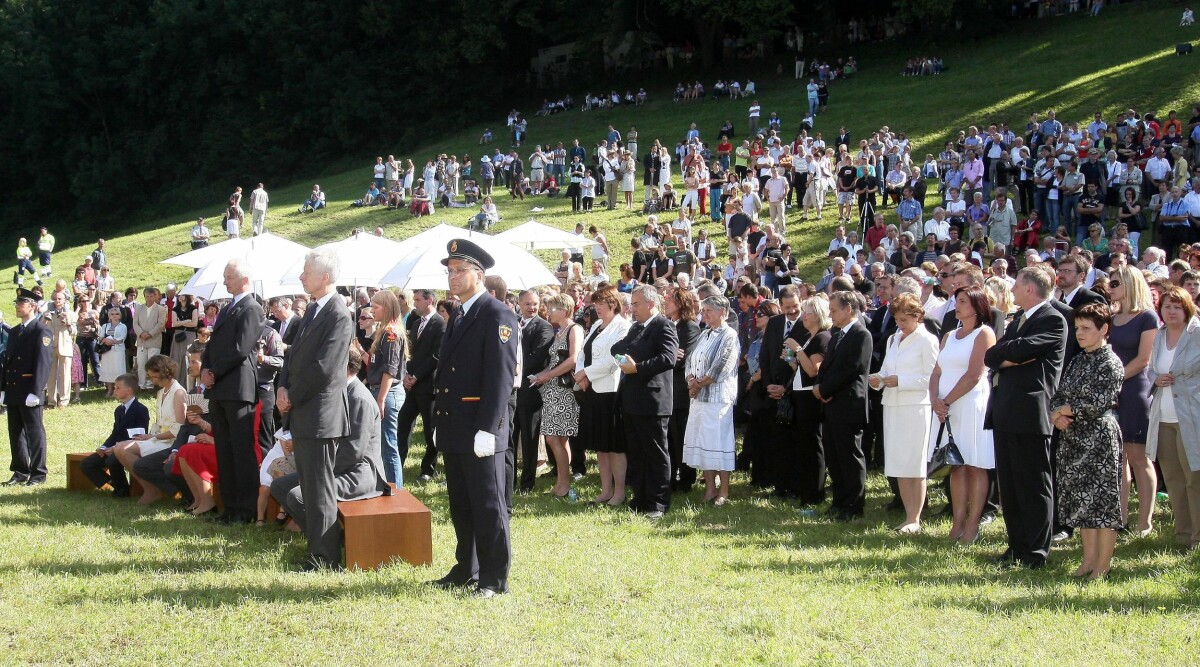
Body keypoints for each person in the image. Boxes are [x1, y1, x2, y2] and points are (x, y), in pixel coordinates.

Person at [428, 239, 518, 598]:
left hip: (480, 428)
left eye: (459, 270)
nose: (452, 277)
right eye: (449, 271)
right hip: (454, 425)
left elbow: (500, 378)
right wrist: (439, 422)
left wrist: (488, 429)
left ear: (479, 275)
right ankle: (468, 567)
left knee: (488, 504)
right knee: (461, 504)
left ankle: (494, 579)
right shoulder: (460, 314)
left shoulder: (497, 315)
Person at [984, 267, 1067, 569]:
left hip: (1031, 412)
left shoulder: (1052, 319)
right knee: (1011, 484)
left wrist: (1009, 355)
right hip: (1006, 409)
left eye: (1017, 285)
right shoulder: (1019, 319)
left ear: (1031, 288)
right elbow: (993, 356)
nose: (1013, 290)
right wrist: (1008, 355)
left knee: (1033, 483)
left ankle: (1035, 551)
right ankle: (1016, 546)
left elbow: (1022, 351)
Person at [276, 249, 354, 570]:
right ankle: (316, 550)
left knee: (320, 490)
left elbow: (325, 368)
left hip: (321, 416)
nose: (301, 276)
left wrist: (291, 395)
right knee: (310, 486)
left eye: (306, 271)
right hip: (305, 412)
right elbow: (293, 356)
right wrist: (282, 385)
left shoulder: (338, 313)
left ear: (325, 277)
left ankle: (325, 559)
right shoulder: (312, 310)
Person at [273, 346, 391, 534]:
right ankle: (320, 533)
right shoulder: (341, 392)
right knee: (279, 487)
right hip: (336, 467)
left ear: (344, 368)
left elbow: (353, 453)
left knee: (299, 496)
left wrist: (319, 470)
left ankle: (333, 538)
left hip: (358, 474)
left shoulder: (359, 399)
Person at [1049, 303, 1125, 579]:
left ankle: (1102, 566)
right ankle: (1088, 561)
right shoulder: (1079, 359)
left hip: (1100, 439)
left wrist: (1065, 410)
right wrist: (1057, 414)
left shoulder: (1110, 362)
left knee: (1102, 503)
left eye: (1086, 328)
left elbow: (1099, 401)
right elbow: (1059, 394)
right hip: (1073, 437)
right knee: (1082, 501)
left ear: (1103, 330)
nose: (1079, 333)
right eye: (1077, 327)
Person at [201, 259, 267, 525]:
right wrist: (205, 368)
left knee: (241, 452)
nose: (224, 281)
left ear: (244, 280)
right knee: (224, 449)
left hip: (238, 387)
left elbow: (240, 348)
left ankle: (246, 509)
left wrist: (214, 371)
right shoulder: (229, 308)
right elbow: (214, 344)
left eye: (229, 277)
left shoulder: (252, 308)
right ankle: (229, 507)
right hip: (219, 388)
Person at [930, 286, 997, 544]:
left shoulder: (984, 333)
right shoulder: (948, 335)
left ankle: (972, 524)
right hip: (945, 408)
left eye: (963, 301)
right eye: (956, 301)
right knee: (956, 465)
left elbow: (974, 375)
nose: (957, 305)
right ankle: (957, 523)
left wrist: (946, 401)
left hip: (970, 405)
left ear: (977, 306)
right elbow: (937, 372)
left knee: (974, 464)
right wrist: (935, 400)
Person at [871, 292, 939, 533]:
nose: (900, 325)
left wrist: (901, 380)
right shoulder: (893, 340)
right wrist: (878, 379)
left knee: (914, 462)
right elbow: (886, 369)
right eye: (897, 320)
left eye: (905, 320)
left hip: (916, 406)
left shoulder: (927, 340)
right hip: (893, 405)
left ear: (918, 317)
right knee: (899, 461)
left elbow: (932, 377)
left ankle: (915, 518)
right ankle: (908, 515)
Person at [610, 285, 679, 518]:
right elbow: (616, 348)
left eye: (636, 304)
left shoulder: (663, 326)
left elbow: (668, 358)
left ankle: (658, 503)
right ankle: (640, 499)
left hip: (653, 400)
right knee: (637, 452)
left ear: (651, 304)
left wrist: (636, 367)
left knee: (655, 453)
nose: (632, 308)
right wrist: (628, 357)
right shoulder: (636, 328)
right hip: (632, 400)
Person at [1107, 265, 1159, 536]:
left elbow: (1143, 359)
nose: (1110, 287)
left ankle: (1144, 522)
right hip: (1113, 393)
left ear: (1130, 284)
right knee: (1118, 460)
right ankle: (1121, 518)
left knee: (1138, 457)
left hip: (1134, 390)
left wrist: (1113, 381)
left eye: (1115, 283)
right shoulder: (1112, 317)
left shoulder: (1147, 317)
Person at [1147, 287, 1200, 551]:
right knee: (1173, 477)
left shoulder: (1197, 334)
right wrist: (1155, 378)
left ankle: (1197, 538)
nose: (1171, 311)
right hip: (1163, 414)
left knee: (1194, 477)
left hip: (1191, 416)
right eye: (1167, 306)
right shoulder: (1159, 335)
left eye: (1177, 307)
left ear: (1187, 308)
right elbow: (1150, 369)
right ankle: (1183, 535)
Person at [815, 291, 873, 520]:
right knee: (835, 456)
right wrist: (821, 387)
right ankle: (839, 500)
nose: (831, 314)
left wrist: (826, 389)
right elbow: (828, 367)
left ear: (848, 309)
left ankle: (853, 505)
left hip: (848, 404)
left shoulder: (861, 334)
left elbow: (852, 369)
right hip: (831, 405)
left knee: (849, 457)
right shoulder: (837, 334)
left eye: (834, 310)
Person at [572, 286, 631, 504]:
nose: (596, 307)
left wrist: (586, 373)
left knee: (614, 445)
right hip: (591, 390)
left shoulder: (623, 327)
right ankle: (605, 490)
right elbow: (583, 353)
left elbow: (614, 359)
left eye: (600, 303)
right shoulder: (596, 325)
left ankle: (619, 492)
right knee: (600, 445)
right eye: (595, 303)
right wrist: (581, 374)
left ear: (613, 304)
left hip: (610, 391)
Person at [683, 295, 740, 505]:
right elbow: (690, 360)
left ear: (723, 312)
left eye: (709, 310)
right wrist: (691, 381)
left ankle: (724, 490)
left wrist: (700, 383)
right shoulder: (704, 333)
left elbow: (722, 365)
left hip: (717, 398)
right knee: (702, 441)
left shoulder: (729, 335)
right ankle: (709, 488)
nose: (704, 314)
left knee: (719, 441)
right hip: (698, 398)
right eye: (703, 310)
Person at [112, 354, 186, 504]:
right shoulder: (161, 392)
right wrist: (150, 435)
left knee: (123, 449)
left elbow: (179, 429)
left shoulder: (178, 392)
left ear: (164, 372)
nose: (152, 380)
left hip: (171, 443)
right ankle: (151, 489)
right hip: (159, 438)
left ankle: (154, 490)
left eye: (154, 376)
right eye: (150, 376)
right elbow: (159, 424)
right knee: (119, 448)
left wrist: (153, 437)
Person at [530, 293, 582, 498]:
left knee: (553, 439)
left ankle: (565, 483)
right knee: (560, 439)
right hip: (552, 390)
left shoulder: (574, 329)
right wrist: (538, 377)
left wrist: (547, 376)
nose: (549, 312)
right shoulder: (558, 332)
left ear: (565, 310)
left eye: (553, 308)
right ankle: (562, 483)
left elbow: (572, 360)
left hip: (564, 391)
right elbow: (554, 363)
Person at [3, 288, 51, 486]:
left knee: (34, 432)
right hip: (14, 388)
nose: (16, 306)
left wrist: (36, 391)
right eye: (16, 302)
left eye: (20, 303)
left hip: (29, 389)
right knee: (15, 433)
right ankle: (20, 471)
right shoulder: (14, 331)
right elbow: (7, 362)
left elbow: (43, 363)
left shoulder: (41, 330)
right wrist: (2, 389)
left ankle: (38, 473)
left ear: (32, 306)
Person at [398, 289, 444, 481]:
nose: (414, 303)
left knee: (430, 430)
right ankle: (397, 464)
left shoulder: (439, 324)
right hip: (412, 386)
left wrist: (416, 375)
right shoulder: (416, 323)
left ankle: (428, 469)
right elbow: (410, 352)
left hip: (428, 387)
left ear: (429, 301)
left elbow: (436, 356)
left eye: (418, 300)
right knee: (403, 425)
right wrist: (407, 374)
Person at [79, 374, 150, 495]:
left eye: (118, 388)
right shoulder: (119, 410)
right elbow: (115, 433)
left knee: (111, 461)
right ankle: (116, 484)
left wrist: (115, 448)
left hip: (130, 449)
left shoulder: (140, 409)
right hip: (114, 448)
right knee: (87, 464)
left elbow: (138, 436)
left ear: (129, 390)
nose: (115, 391)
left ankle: (122, 490)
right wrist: (104, 447)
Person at [366, 290, 407, 487]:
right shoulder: (382, 331)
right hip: (382, 390)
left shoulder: (391, 333)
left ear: (387, 307)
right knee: (383, 444)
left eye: (376, 307)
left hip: (387, 393)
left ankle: (397, 490)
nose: (372, 310)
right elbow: (377, 365)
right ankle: (389, 485)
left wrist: (380, 399)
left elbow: (390, 369)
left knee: (389, 445)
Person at [664, 288, 701, 493]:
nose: (666, 303)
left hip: (679, 391)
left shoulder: (690, 328)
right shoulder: (667, 325)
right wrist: (669, 354)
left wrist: (666, 356)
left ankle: (685, 478)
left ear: (681, 303)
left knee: (681, 435)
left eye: (670, 300)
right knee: (669, 436)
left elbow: (685, 359)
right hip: (666, 389)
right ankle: (670, 476)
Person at [42, 290, 76, 408]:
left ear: (64, 300)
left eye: (60, 299)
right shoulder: (47, 312)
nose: (57, 301)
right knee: (50, 376)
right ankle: (51, 401)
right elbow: (41, 328)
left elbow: (75, 332)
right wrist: (45, 318)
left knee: (65, 374)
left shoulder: (70, 313)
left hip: (65, 347)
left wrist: (68, 323)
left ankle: (64, 400)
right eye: (55, 299)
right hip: (50, 346)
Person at [132, 287, 165, 391]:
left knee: (152, 364)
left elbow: (160, 325)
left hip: (154, 340)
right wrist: (141, 333)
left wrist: (149, 334)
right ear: (144, 297)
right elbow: (135, 324)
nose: (149, 298)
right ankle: (142, 385)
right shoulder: (138, 308)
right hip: (141, 341)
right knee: (141, 363)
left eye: (151, 296)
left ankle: (150, 384)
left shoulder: (161, 309)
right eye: (147, 296)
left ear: (155, 296)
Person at [97, 306, 128, 396]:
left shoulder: (123, 326)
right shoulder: (105, 326)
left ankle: (117, 391)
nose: (114, 316)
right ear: (109, 316)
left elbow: (122, 338)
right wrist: (105, 340)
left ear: (120, 316)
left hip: (118, 350)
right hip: (107, 351)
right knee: (108, 369)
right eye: (112, 314)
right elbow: (100, 337)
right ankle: (109, 390)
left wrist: (112, 341)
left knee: (118, 369)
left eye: (116, 314)